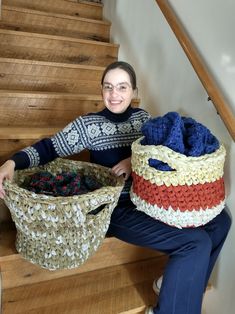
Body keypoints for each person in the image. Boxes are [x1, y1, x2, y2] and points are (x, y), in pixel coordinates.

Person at [0, 61, 231, 314]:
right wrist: (13, 161)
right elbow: (49, 148)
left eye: (122, 87)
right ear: (101, 91)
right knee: (195, 243)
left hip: (150, 201)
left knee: (221, 221)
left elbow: (161, 154)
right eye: (108, 87)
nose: (114, 94)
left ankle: (180, 285)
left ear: (133, 90)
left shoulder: (143, 119)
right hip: (118, 211)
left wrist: (134, 159)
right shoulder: (88, 125)